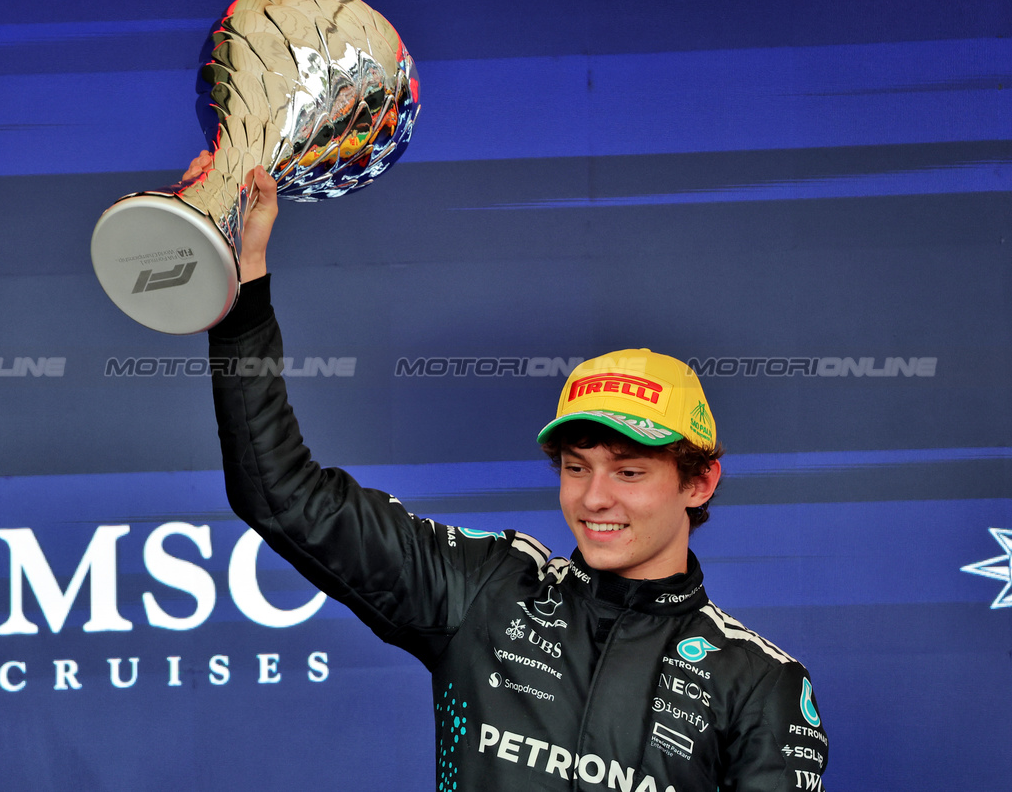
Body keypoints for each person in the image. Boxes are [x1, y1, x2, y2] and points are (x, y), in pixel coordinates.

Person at [196, 153, 830, 791]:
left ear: (699, 483)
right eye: (576, 467)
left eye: (629, 472)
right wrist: (245, 280)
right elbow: (281, 494)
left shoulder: (757, 684)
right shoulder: (486, 589)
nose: (595, 498)